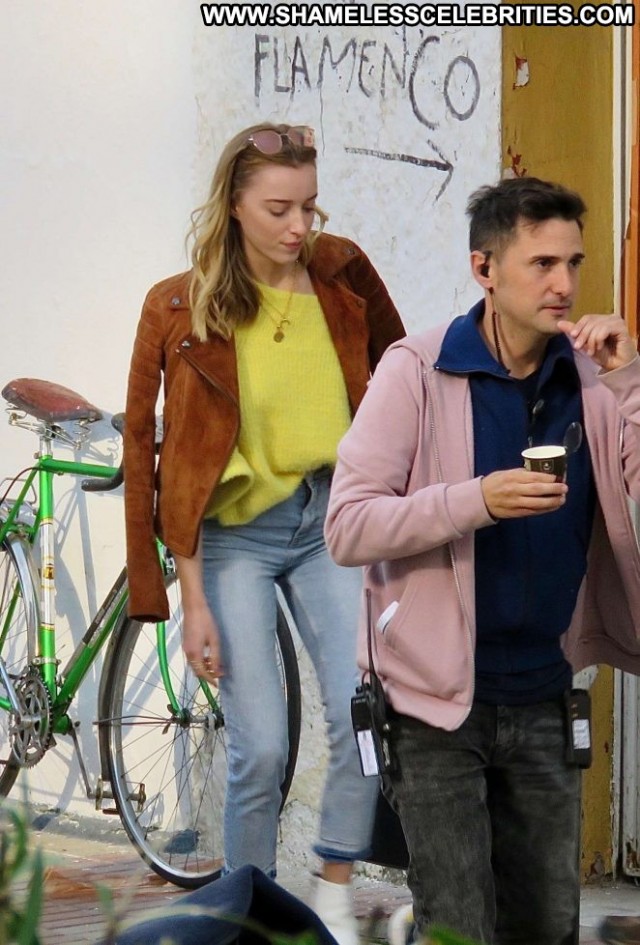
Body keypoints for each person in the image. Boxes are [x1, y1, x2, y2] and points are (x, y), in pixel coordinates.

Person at [324, 177, 640, 945]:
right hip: (431, 707)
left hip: (544, 692)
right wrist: (476, 500)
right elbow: (348, 526)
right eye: (542, 263)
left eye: (573, 262)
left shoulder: (592, 378)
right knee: (459, 928)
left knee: (547, 929)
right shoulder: (417, 369)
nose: (564, 284)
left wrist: (629, 381)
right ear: (485, 269)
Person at [122, 121, 405, 945]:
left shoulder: (341, 272)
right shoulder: (179, 305)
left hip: (329, 522)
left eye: (308, 207)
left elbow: (405, 372)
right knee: (262, 748)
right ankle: (246, 919)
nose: (298, 226)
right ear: (235, 206)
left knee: (363, 712)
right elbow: (155, 454)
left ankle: (332, 894)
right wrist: (189, 598)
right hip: (232, 539)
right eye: (278, 209)